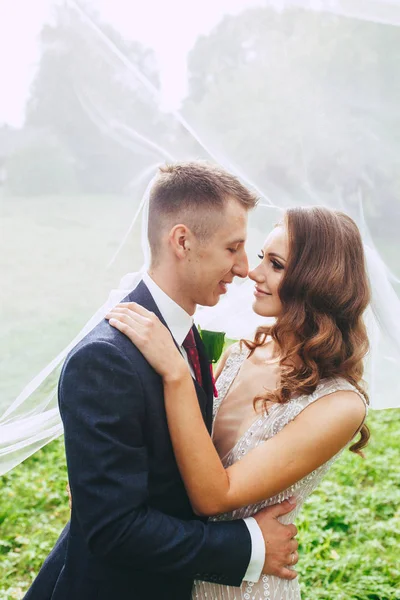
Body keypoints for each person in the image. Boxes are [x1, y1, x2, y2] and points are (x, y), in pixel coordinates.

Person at [24, 161, 299, 600]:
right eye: (234, 248)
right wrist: (249, 545)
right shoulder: (105, 360)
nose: (246, 268)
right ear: (183, 241)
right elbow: (114, 529)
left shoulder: (186, 333)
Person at [106, 205, 370, 599]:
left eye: (276, 264)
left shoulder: (339, 405)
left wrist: (177, 374)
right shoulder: (239, 354)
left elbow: (215, 496)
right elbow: (172, 449)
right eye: (263, 256)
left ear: (317, 282)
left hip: (244, 584)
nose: (252, 272)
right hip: (176, 564)